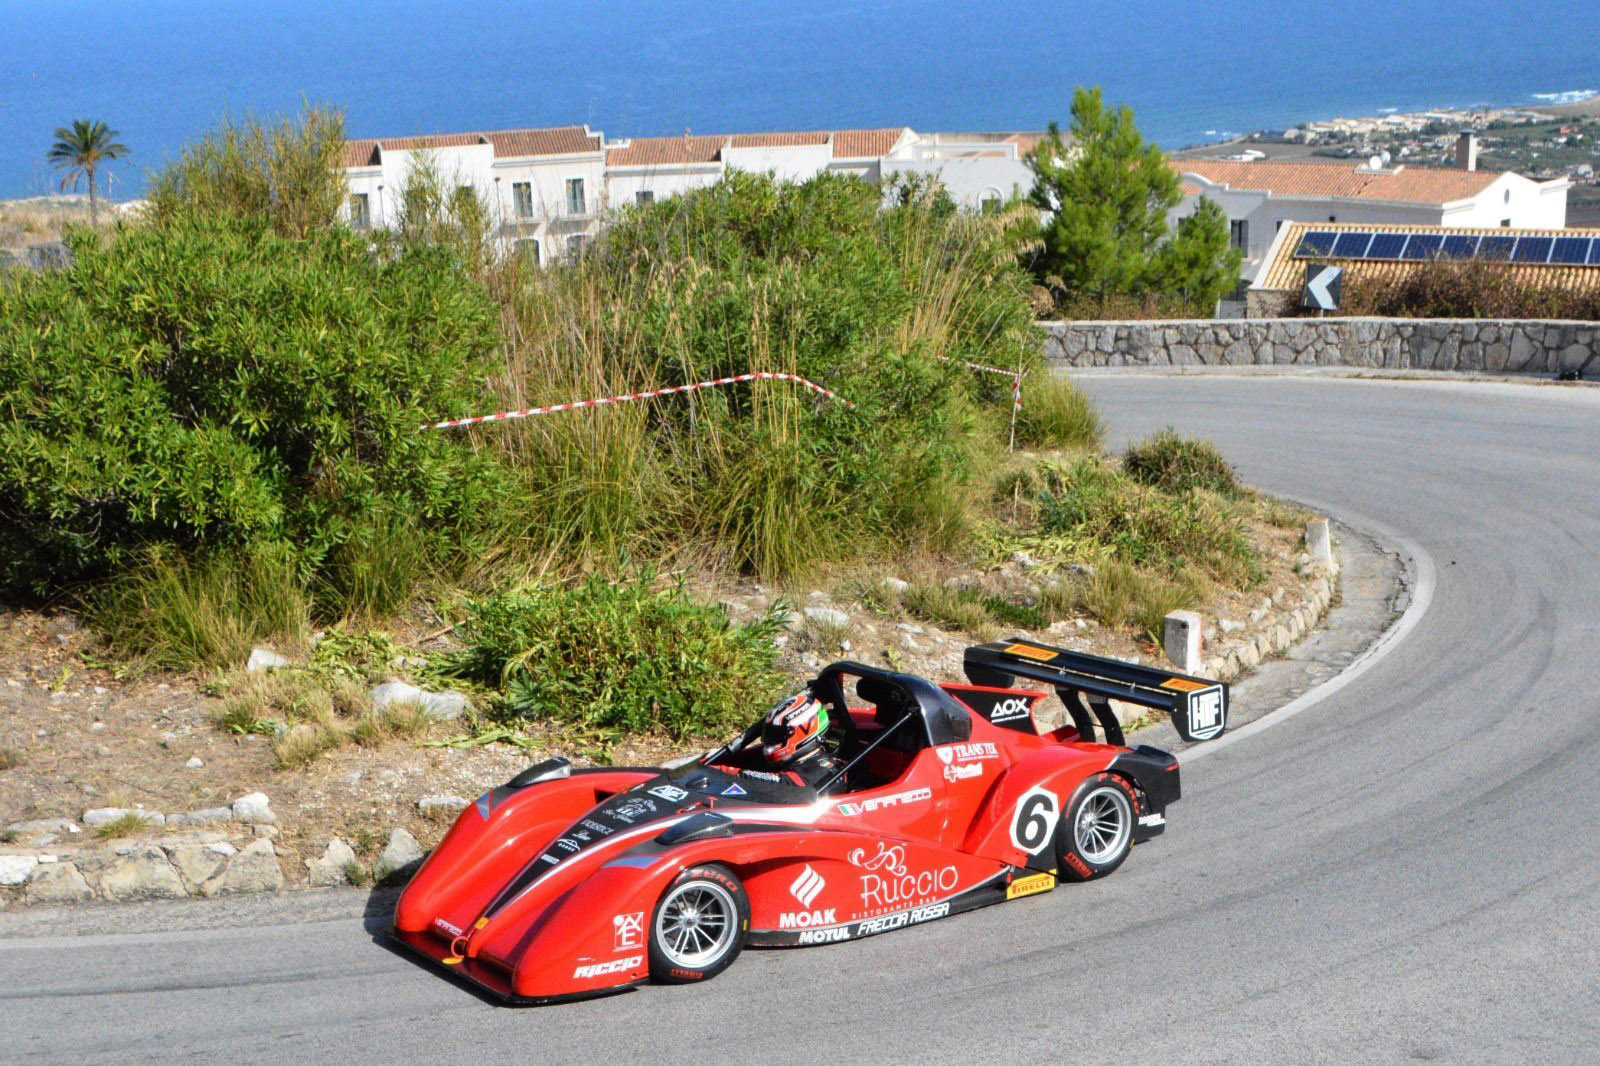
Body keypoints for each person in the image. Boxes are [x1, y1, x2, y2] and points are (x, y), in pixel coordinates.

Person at [754, 688, 841, 790]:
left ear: (803, 733)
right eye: (770, 734)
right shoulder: (792, 761)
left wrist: (736, 773)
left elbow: (783, 784)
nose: (770, 742)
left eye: (777, 735)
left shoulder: (820, 768)